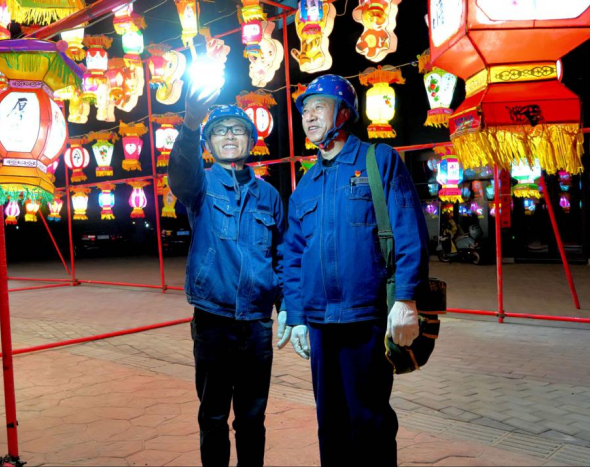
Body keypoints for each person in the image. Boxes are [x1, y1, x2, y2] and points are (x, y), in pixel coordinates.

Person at [279, 74, 429, 466]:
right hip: (319, 324)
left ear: (344, 113)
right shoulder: (306, 185)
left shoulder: (378, 161)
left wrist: (406, 299)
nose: (310, 117)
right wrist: (295, 315)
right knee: (330, 421)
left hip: (366, 318)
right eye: (305, 110)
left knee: (370, 419)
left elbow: (408, 230)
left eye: (319, 107)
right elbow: (293, 255)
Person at [168, 84, 287, 467]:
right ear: (208, 143)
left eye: (238, 130)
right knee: (213, 415)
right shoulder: (200, 186)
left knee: (252, 417)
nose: (230, 136)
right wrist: (190, 124)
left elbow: (281, 255)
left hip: (256, 324)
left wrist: (287, 307)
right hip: (213, 321)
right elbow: (180, 174)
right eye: (220, 131)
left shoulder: (268, 195)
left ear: (251, 140)